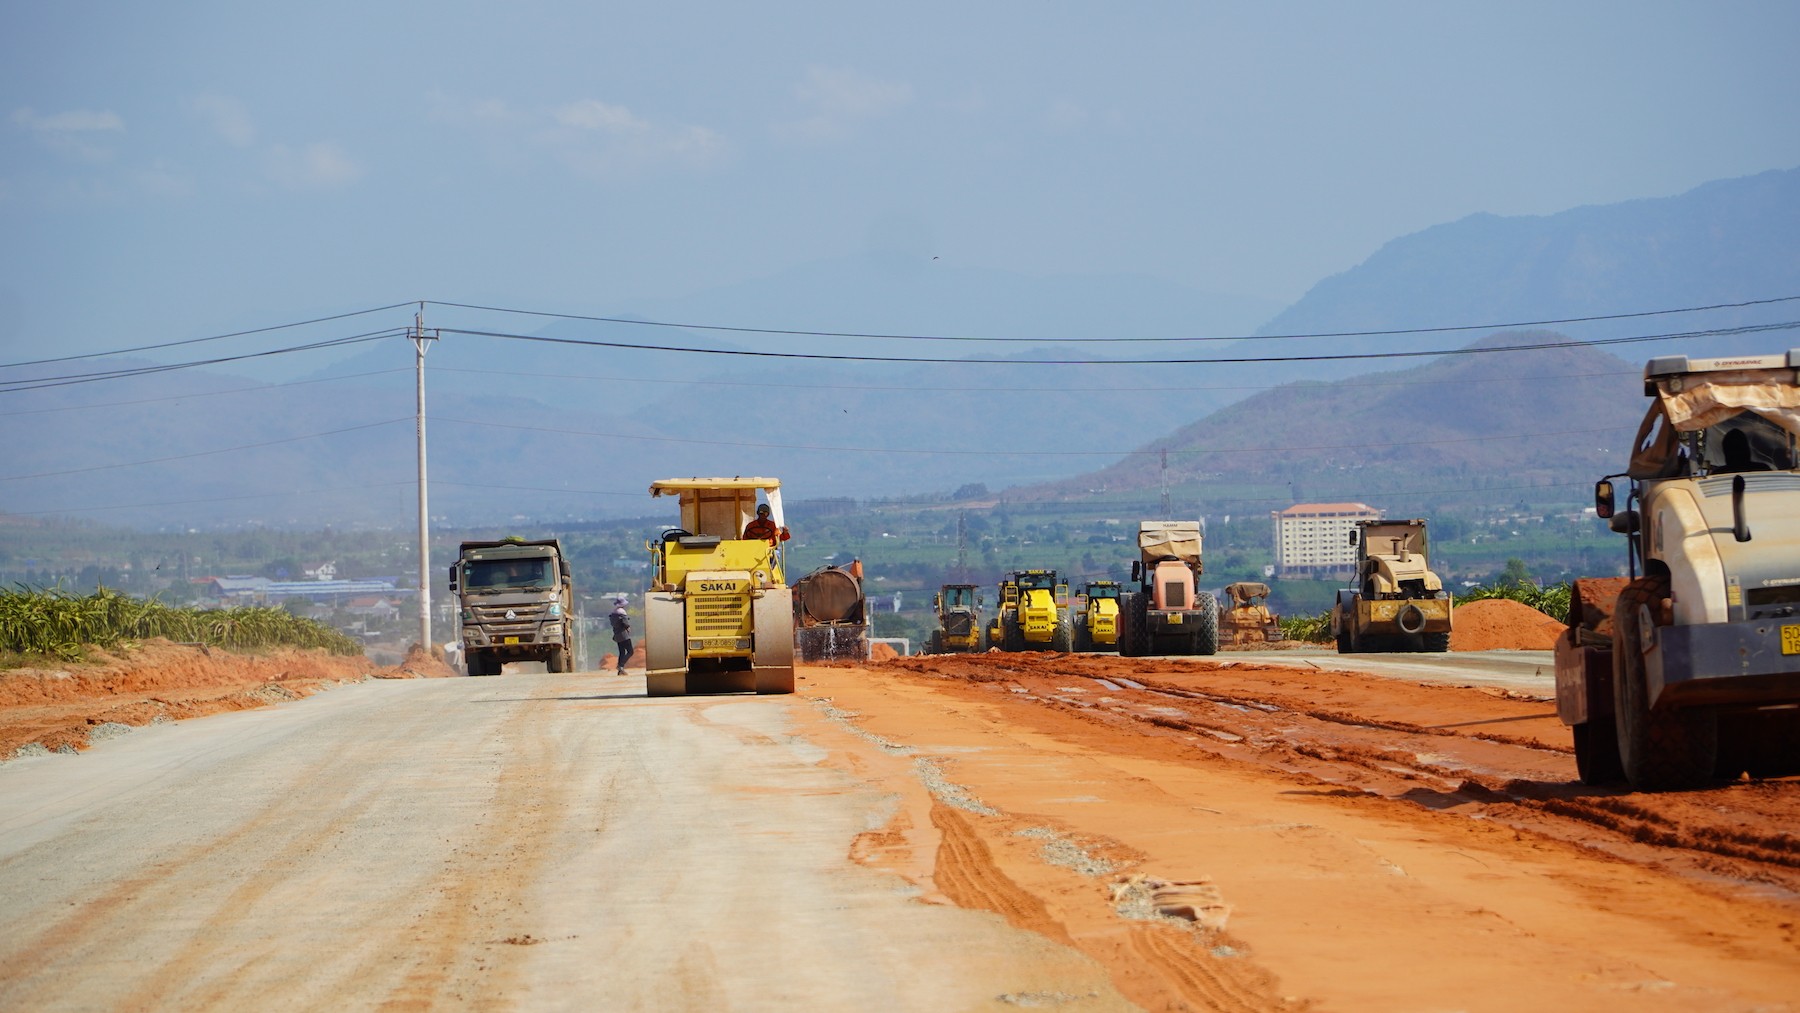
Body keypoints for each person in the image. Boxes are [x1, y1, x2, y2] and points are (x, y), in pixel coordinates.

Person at [609, 596, 634, 675]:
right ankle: (620, 665)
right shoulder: (622, 612)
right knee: (630, 651)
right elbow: (625, 623)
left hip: (617, 634)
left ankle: (620, 671)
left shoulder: (613, 612)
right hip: (624, 635)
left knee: (622, 652)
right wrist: (628, 627)